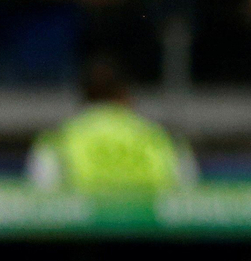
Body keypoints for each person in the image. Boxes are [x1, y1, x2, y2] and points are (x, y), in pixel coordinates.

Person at [27, 57, 196, 193]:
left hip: (83, 235)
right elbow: (189, 203)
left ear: (83, 96)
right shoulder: (163, 139)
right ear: (126, 94)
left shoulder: (57, 141)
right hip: (149, 234)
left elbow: (41, 205)